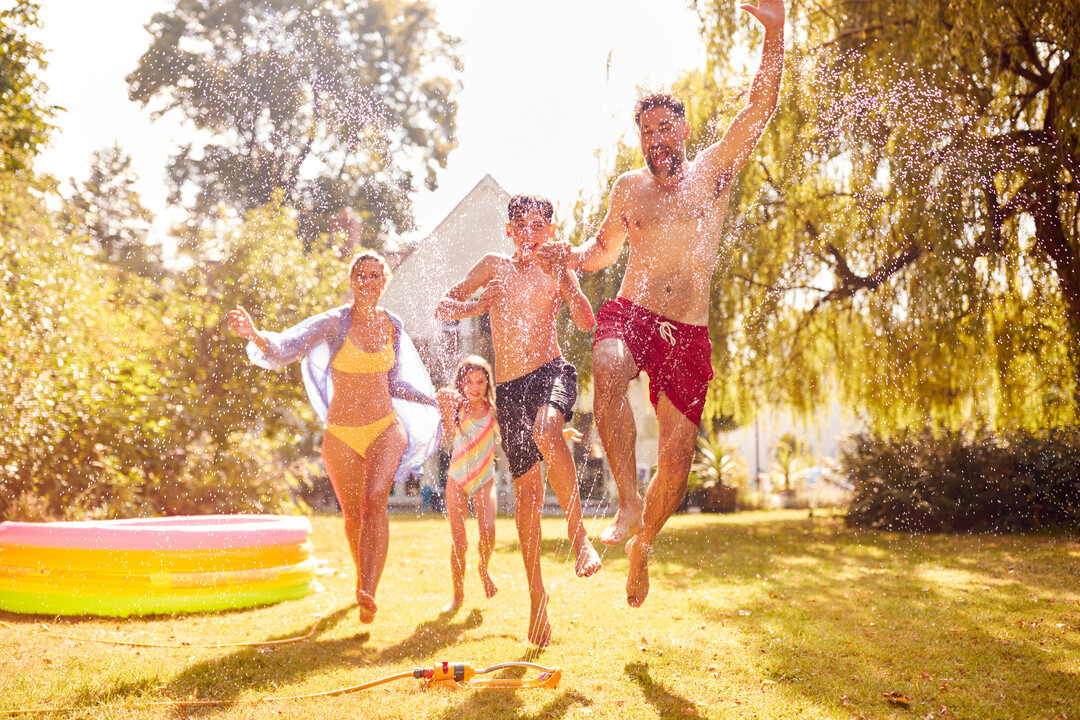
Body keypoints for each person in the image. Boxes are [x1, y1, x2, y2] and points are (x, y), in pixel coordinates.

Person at [539, 0, 786, 607]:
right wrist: (567, 257)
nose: (655, 140)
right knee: (607, 364)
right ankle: (626, 498)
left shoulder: (714, 172)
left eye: (665, 128)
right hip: (635, 312)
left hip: (690, 331)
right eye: (646, 131)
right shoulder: (629, 187)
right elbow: (601, 252)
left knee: (676, 467)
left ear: (684, 128)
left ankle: (643, 542)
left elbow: (760, 107)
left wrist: (776, 32)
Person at [228, 250, 441, 624]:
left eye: (376, 275)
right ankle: (362, 582)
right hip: (341, 432)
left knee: (376, 501)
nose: (368, 281)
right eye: (361, 274)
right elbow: (286, 348)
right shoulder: (333, 323)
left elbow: (395, 382)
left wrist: (431, 397)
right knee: (353, 517)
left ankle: (369, 591)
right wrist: (255, 335)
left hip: (385, 427)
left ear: (384, 281)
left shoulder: (394, 324)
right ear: (351, 279)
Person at [435, 194, 602, 647]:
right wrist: (473, 307)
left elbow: (586, 322)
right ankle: (537, 600)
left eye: (538, 225)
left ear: (550, 229)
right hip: (508, 390)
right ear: (508, 231)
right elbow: (443, 308)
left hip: (550, 371)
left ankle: (578, 535)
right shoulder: (494, 265)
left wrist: (567, 278)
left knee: (548, 429)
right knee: (527, 496)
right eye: (521, 226)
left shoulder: (558, 263)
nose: (530, 233)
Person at [436, 355, 500, 614]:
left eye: (480, 381)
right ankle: (458, 595)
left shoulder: (493, 410)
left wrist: (556, 432)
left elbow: (521, 431)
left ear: (487, 384)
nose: (475, 386)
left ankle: (483, 569)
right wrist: (444, 407)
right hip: (458, 479)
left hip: (484, 479)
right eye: (469, 381)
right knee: (459, 543)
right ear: (461, 384)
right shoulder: (457, 408)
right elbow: (444, 437)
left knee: (488, 530)